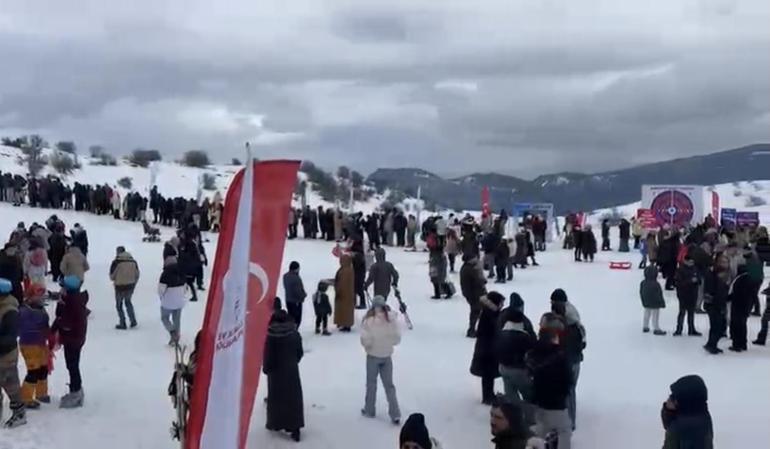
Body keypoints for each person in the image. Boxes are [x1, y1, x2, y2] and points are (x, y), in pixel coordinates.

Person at [526, 315, 572, 449]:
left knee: (541, 429)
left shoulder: (534, 351)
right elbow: (568, 380)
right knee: (564, 431)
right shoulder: (559, 355)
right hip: (557, 403)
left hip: (539, 399)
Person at [263, 309, 304, 442]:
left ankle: (276, 423)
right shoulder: (294, 333)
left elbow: (268, 355)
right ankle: (295, 428)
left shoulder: (271, 336)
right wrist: (293, 362)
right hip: (291, 371)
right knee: (293, 400)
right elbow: (299, 352)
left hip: (276, 374)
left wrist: (266, 368)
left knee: (277, 401)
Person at [360, 296, 401, 425]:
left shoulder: (369, 321)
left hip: (373, 356)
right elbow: (396, 339)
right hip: (387, 357)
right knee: (389, 386)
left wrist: (369, 346)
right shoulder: (391, 320)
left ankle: (369, 409)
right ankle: (395, 413)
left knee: (371, 384)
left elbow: (365, 339)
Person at [496, 294, 536, 418]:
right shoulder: (524, 332)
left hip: (503, 367)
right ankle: (529, 420)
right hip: (519, 369)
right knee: (529, 395)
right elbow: (533, 347)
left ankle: (514, 419)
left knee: (511, 395)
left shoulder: (502, 323)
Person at [52, 275, 89, 409]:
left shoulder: (73, 303)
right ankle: (76, 389)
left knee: (72, 365)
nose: (61, 290)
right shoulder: (73, 300)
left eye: (63, 288)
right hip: (75, 339)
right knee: (72, 365)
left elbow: (65, 323)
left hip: (73, 340)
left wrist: (58, 323)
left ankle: (76, 391)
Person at [549, 289, 583, 431]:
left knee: (568, 392)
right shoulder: (575, 323)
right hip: (574, 359)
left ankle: (568, 421)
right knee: (569, 391)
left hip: (568, 362)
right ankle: (568, 419)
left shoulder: (565, 325)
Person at [18, 284, 50, 409]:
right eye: (38, 295)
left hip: (41, 344)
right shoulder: (24, 311)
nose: (41, 298)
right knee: (33, 371)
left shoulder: (41, 309)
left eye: (42, 295)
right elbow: (24, 329)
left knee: (43, 369)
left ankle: (41, 392)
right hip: (29, 345)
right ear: (31, 296)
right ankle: (25, 398)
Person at [661, 375, 713, 449]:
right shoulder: (702, 417)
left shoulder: (682, 426)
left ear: (685, 401)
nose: (669, 399)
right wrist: (669, 411)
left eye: (674, 397)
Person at [0, 278, 26, 427]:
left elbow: (9, 338)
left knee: (11, 386)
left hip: (6, 356)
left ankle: (19, 413)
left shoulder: (10, 310)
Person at [470, 291, 504, 405]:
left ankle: (488, 394)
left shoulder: (489, 312)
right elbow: (491, 331)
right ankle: (487, 396)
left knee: (488, 374)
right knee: (488, 374)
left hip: (486, 348)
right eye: (501, 303)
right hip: (488, 349)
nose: (502, 305)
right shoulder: (490, 315)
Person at [109, 246, 140, 330]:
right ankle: (133, 320)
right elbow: (137, 274)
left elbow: (112, 276)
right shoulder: (133, 261)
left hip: (119, 286)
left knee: (119, 305)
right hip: (130, 286)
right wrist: (134, 282)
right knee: (128, 302)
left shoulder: (116, 262)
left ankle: (122, 322)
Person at [703, 259, 730, 354]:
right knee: (717, 327)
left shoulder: (716, 279)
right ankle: (712, 345)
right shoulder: (715, 280)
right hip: (715, 306)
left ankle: (711, 344)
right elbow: (717, 295)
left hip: (714, 305)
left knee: (715, 326)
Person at [158, 257, 187, 345]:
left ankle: (172, 331)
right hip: (179, 301)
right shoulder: (181, 271)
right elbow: (185, 287)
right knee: (176, 320)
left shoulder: (165, 273)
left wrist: (161, 297)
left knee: (165, 318)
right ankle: (176, 337)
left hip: (168, 301)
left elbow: (161, 289)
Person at [460, 254, 487, 338]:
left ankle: (476, 328)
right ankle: (472, 330)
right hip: (475, 294)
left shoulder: (469, 268)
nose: (476, 259)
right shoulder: (469, 270)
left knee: (478, 311)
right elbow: (476, 281)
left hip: (477, 293)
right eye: (474, 257)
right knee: (476, 311)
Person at [728, 265, 753, 352]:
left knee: (736, 325)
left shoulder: (740, 279)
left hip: (738, 305)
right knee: (742, 325)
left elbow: (737, 294)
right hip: (745, 306)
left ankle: (737, 344)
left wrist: (728, 298)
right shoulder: (748, 279)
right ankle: (743, 343)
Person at [674, 256, 701, 337]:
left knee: (691, 313)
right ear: (685, 261)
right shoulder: (680, 270)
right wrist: (690, 281)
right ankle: (679, 329)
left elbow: (699, 279)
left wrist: (697, 280)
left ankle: (691, 329)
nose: (692, 263)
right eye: (690, 262)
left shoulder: (695, 268)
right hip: (683, 294)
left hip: (693, 294)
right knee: (682, 312)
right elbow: (678, 282)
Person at [639, 266, 667, 335]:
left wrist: (643, 300)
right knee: (655, 315)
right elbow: (659, 294)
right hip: (655, 302)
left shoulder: (643, 283)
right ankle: (656, 328)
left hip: (646, 301)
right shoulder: (656, 284)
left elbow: (641, 292)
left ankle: (645, 326)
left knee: (647, 313)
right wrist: (662, 302)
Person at [334, 254, 355, 332]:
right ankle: (344, 323)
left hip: (343, 294)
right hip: (348, 294)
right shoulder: (349, 269)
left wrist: (338, 291)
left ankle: (345, 324)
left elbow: (342, 283)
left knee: (343, 310)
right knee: (347, 310)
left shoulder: (344, 271)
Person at [282, 261, 307, 328]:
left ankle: (290, 331)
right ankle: (294, 332)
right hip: (296, 301)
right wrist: (304, 295)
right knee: (297, 319)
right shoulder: (296, 278)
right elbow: (298, 291)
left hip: (288, 299)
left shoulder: (285, 276)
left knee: (291, 316)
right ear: (296, 269)